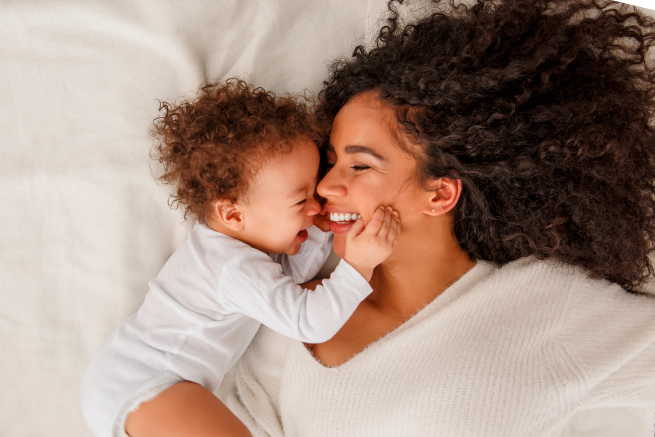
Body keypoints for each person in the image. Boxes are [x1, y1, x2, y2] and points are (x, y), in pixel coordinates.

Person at [214, 0, 655, 435]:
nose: (326, 187)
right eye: (330, 164)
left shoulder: (542, 307)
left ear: (440, 192)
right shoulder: (294, 305)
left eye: (360, 165)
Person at [80, 79, 400, 437]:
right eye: (301, 201)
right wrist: (358, 266)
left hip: (132, 379)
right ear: (233, 215)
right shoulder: (231, 266)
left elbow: (289, 280)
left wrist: (318, 229)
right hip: (147, 383)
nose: (317, 206)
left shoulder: (236, 247)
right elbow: (307, 319)